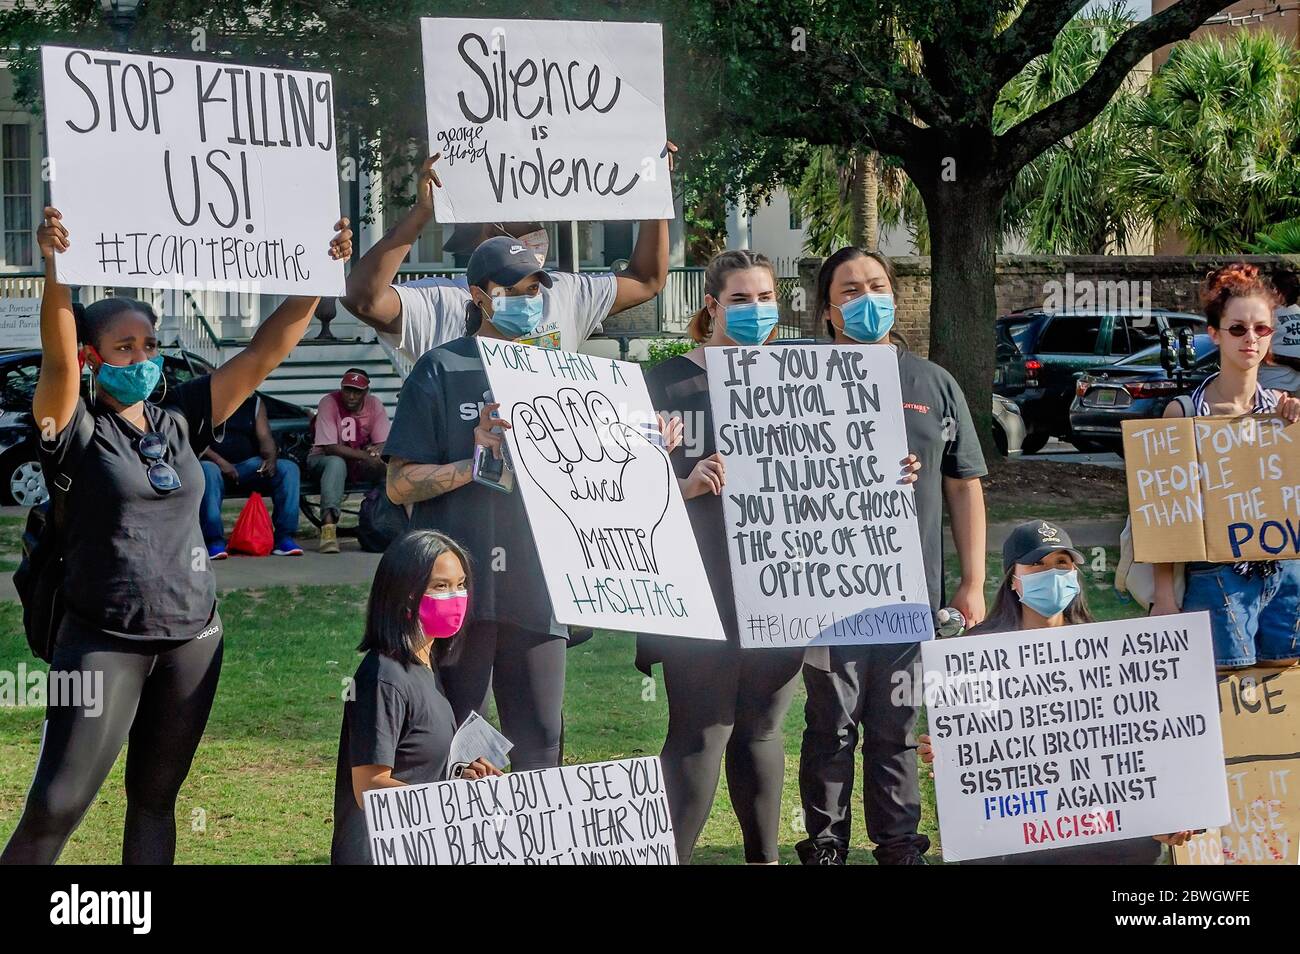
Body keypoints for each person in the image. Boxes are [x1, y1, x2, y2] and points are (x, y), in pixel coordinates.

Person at [0, 207, 350, 865]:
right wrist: (55, 268)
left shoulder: (182, 415)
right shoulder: (74, 426)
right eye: (123, 348)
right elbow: (55, 355)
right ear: (92, 359)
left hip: (193, 638)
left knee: (156, 802)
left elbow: (265, 350)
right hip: (104, 641)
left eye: (149, 346)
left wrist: (315, 276)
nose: (141, 358)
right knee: (55, 809)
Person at [638, 249, 920, 864]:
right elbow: (618, 491)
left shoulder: (803, 378)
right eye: (741, 299)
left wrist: (889, 468)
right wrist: (681, 482)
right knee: (701, 731)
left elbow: (844, 462)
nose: (756, 311)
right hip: (697, 589)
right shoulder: (660, 383)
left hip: (779, 586)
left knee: (764, 730)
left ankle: (762, 859)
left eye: (766, 298)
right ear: (709, 305)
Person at [384, 237, 678, 773]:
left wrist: (648, 444)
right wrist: (471, 463)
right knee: (451, 735)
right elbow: (399, 485)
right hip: (458, 588)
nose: (528, 300)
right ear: (479, 295)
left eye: (534, 290)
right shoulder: (439, 369)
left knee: (540, 736)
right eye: (512, 291)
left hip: (540, 584)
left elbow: (608, 465)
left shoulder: (562, 372)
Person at [797, 246, 988, 865]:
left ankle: (899, 844)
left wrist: (971, 582)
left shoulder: (934, 382)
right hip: (826, 589)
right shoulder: (797, 381)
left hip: (910, 594)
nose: (865, 299)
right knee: (830, 723)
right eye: (849, 291)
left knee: (897, 725)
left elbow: (964, 484)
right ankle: (825, 843)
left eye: (876, 286)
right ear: (828, 311)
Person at [918, 520, 1191, 864]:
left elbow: (1133, 744)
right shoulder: (974, 652)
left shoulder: (1107, 651)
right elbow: (968, 743)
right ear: (1013, 579)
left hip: (1091, 814)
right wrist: (946, 750)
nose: (1052, 573)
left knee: (1141, 846)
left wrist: (1164, 815)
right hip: (1015, 817)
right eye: (1037, 564)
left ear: (1075, 573)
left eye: (1062, 562)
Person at [340, 150, 675, 367]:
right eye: (524, 225)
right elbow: (362, 299)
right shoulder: (438, 303)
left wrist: (655, 192)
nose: (535, 235)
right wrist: (421, 213)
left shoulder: (563, 292)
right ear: (488, 232)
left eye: (537, 226)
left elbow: (646, 280)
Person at [1152, 264, 1300, 670]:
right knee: (1224, 694)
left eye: (1261, 329)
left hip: (1286, 573)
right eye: (1237, 329)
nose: (1250, 339)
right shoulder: (1183, 414)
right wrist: (1164, 596)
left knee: (1285, 689)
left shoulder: (1285, 415)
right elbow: (1167, 514)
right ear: (1214, 333)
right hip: (1217, 576)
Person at [331, 529, 501, 865]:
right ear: (407, 596)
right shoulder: (383, 677)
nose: (456, 596)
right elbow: (369, 788)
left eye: (461, 584)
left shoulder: (427, 665)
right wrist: (448, 800)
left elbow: (416, 769)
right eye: (441, 586)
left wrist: (462, 778)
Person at [200, 393, 303, 558]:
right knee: (207, 471)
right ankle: (214, 541)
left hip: (248, 466)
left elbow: (265, 437)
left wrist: (271, 457)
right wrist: (221, 462)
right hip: (215, 466)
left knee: (288, 469)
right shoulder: (205, 401)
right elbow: (196, 441)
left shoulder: (253, 402)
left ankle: (284, 538)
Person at [306, 369, 390, 554]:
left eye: (357, 391)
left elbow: (383, 441)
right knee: (336, 463)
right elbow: (330, 448)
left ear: (366, 392)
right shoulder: (329, 402)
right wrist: (364, 455)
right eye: (347, 390)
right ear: (341, 388)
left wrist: (376, 451)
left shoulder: (374, 404)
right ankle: (328, 530)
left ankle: (383, 525)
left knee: (385, 466)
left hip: (357, 461)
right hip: (323, 460)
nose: (351, 396)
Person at [1259, 266, 1300, 395]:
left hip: (1292, 385)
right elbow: (1260, 353)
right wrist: (1292, 362)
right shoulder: (1265, 316)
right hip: (1273, 384)